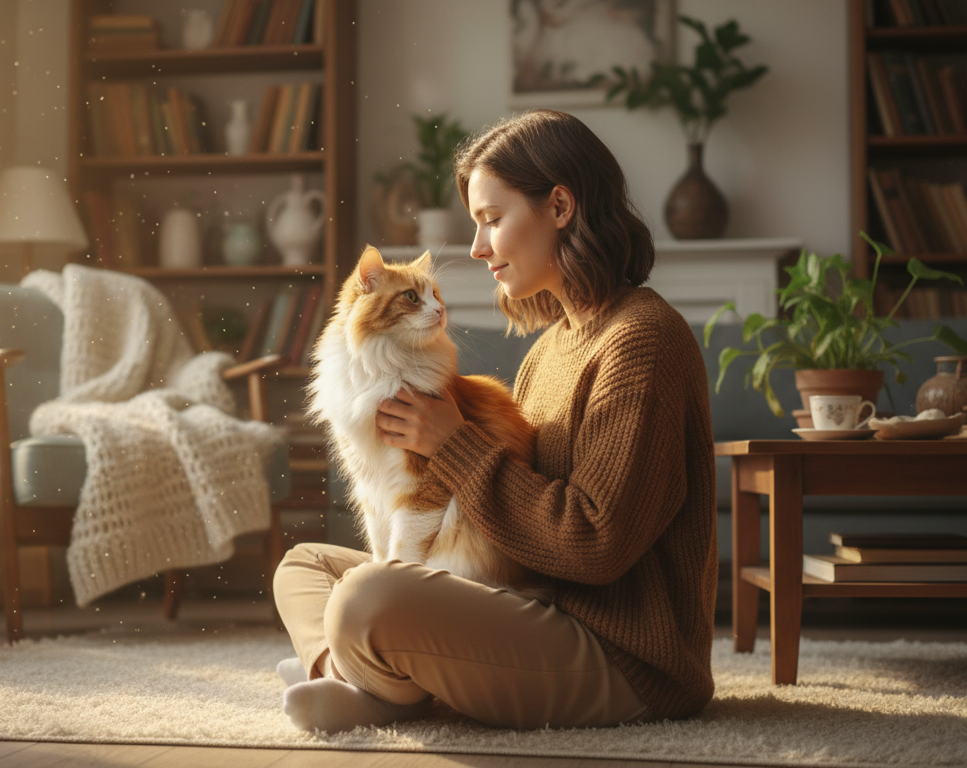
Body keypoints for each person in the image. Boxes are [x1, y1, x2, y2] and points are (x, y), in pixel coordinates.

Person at [272, 108, 717, 733]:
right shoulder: (549, 350)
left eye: (492, 219)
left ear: (559, 207)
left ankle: (368, 684)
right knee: (304, 566)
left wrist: (452, 444)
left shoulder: (642, 340)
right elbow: (501, 526)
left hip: (621, 657)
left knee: (368, 597)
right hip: (534, 605)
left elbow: (595, 546)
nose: (478, 247)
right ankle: (358, 682)